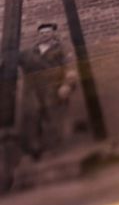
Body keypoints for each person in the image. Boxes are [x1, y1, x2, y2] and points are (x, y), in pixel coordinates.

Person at [19, 23, 77, 158]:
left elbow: (70, 67)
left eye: (47, 32)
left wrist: (67, 85)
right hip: (34, 89)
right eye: (41, 33)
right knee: (33, 117)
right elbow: (21, 63)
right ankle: (36, 149)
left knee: (54, 117)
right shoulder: (31, 52)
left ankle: (56, 150)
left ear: (53, 34)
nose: (44, 35)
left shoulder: (62, 49)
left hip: (54, 87)